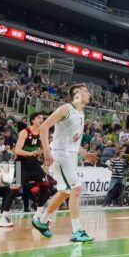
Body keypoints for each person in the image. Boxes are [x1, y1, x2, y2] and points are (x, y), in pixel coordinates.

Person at [31, 84, 98, 242]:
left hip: (70, 155)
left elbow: (73, 142)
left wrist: (86, 153)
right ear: (76, 94)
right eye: (86, 91)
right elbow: (44, 127)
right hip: (60, 154)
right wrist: (47, 151)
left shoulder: (81, 113)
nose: (89, 94)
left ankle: (41, 221)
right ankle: (77, 231)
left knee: (65, 191)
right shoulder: (66, 108)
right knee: (76, 188)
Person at [0, 112, 51, 228]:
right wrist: (30, 153)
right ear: (32, 120)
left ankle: (39, 214)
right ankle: (4, 217)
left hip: (33, 163)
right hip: (20, 164)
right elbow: (17, 150)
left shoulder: (42, 133)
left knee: (46, 185)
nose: (41, 120)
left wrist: (41, 152)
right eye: (39, 118)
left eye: (42, 118)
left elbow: (43, 148)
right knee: (15, 190)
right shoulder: (25, 132)